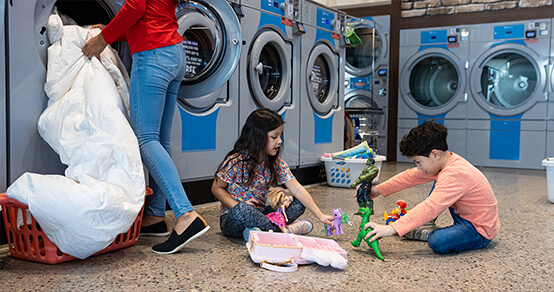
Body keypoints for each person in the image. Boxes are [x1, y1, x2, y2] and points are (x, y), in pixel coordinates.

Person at [82, 0, 209, 255]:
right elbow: (152, 15)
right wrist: (113, 29)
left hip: (154, 56)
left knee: (145, 139)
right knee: (159, 141)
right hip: (174, 52)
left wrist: (103, 39)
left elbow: (136, 6)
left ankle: (186, 214)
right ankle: (155, 216)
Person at [363, 120, 500, 254]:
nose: (418, 167)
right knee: (438, 180)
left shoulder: (455, 173)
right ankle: (426, 223)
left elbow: (432, 206)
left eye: (418, 162)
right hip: (465, 216)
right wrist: (377, 190)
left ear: (435, 154)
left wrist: (392, 228)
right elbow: (410, 177)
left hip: (479, 229)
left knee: (437, 241)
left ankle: (429, 231)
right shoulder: (446, 161)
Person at [211, 108, 334, 241]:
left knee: (299, 202)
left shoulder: (276, 163)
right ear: (258, 137)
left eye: (280, 136)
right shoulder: (236, 161)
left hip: (262, 213)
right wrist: (236, 205)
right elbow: (216, 188)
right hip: (234, 219)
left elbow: (298, 189)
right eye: (274, 137)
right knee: (243, 209)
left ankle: (262, 231)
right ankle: (282, 231)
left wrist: (320, 215)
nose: (279, 141)